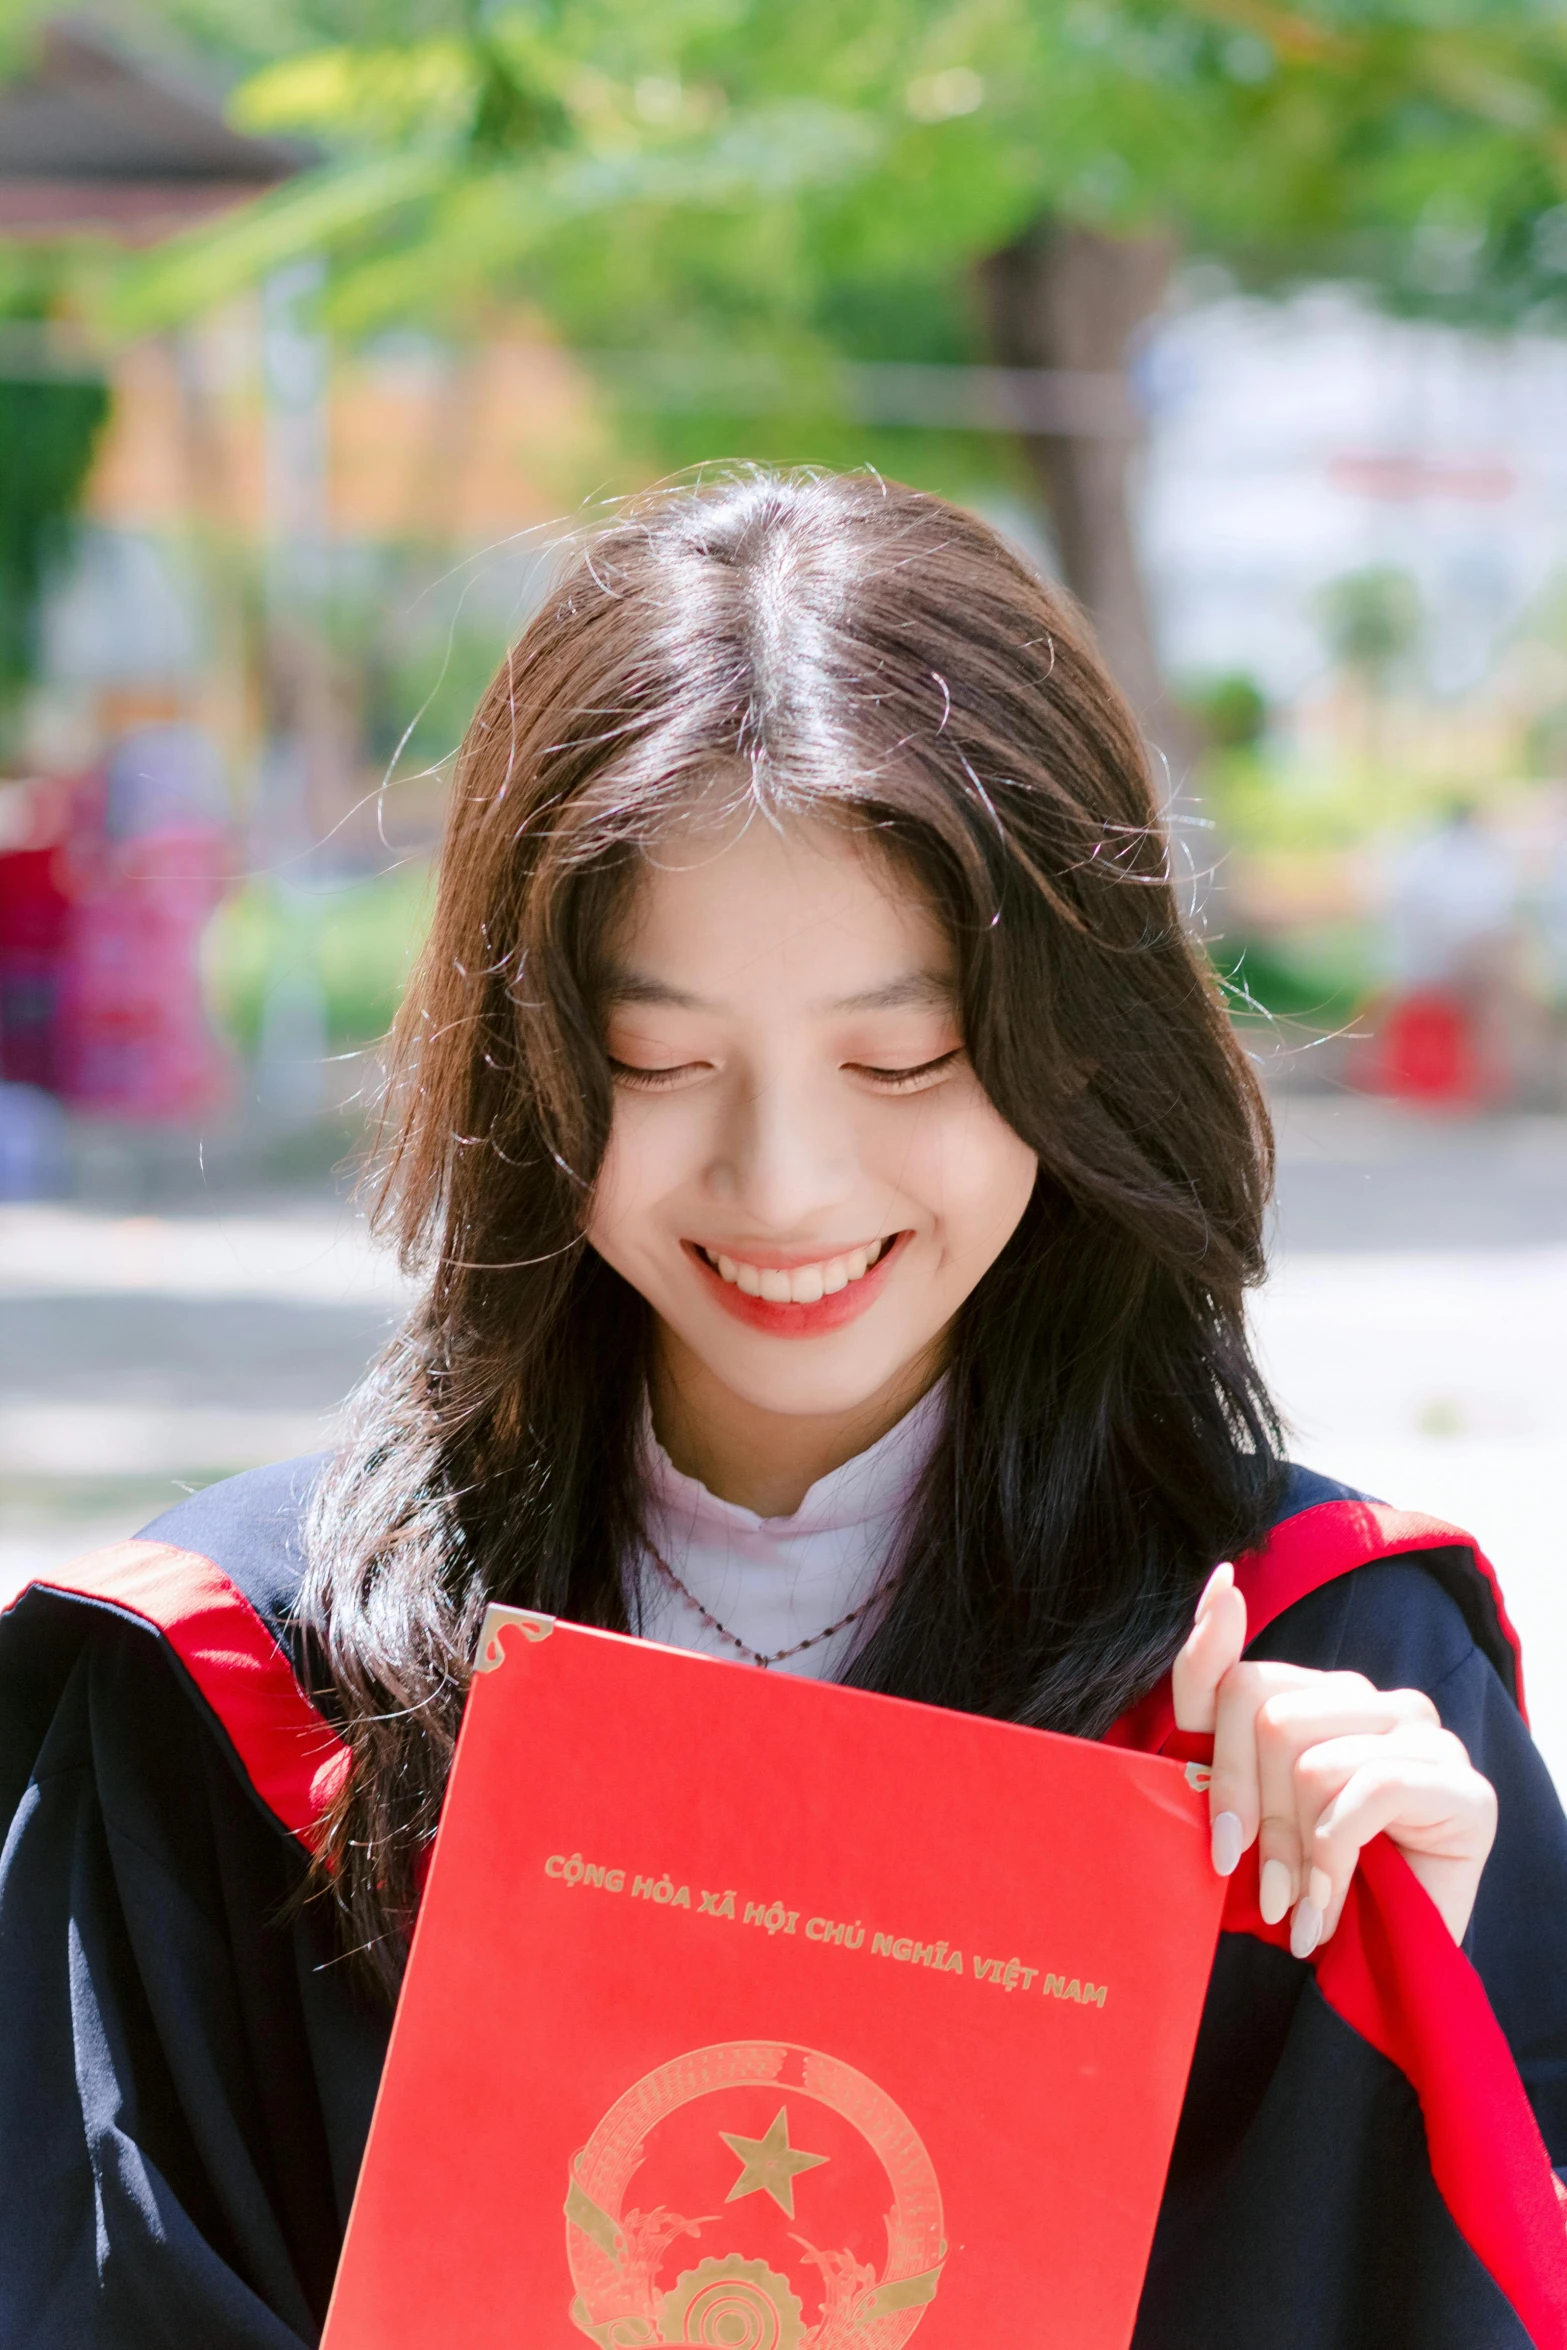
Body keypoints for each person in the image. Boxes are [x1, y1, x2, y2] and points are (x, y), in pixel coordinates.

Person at [2, 472, 1563, 2350]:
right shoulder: (246, 1690)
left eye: (900, 1054)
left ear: (1082, 1045)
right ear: (530, 1057)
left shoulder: (1315, 1687)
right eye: (658, 1058)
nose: (786, 1181)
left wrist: (1419, 2011)